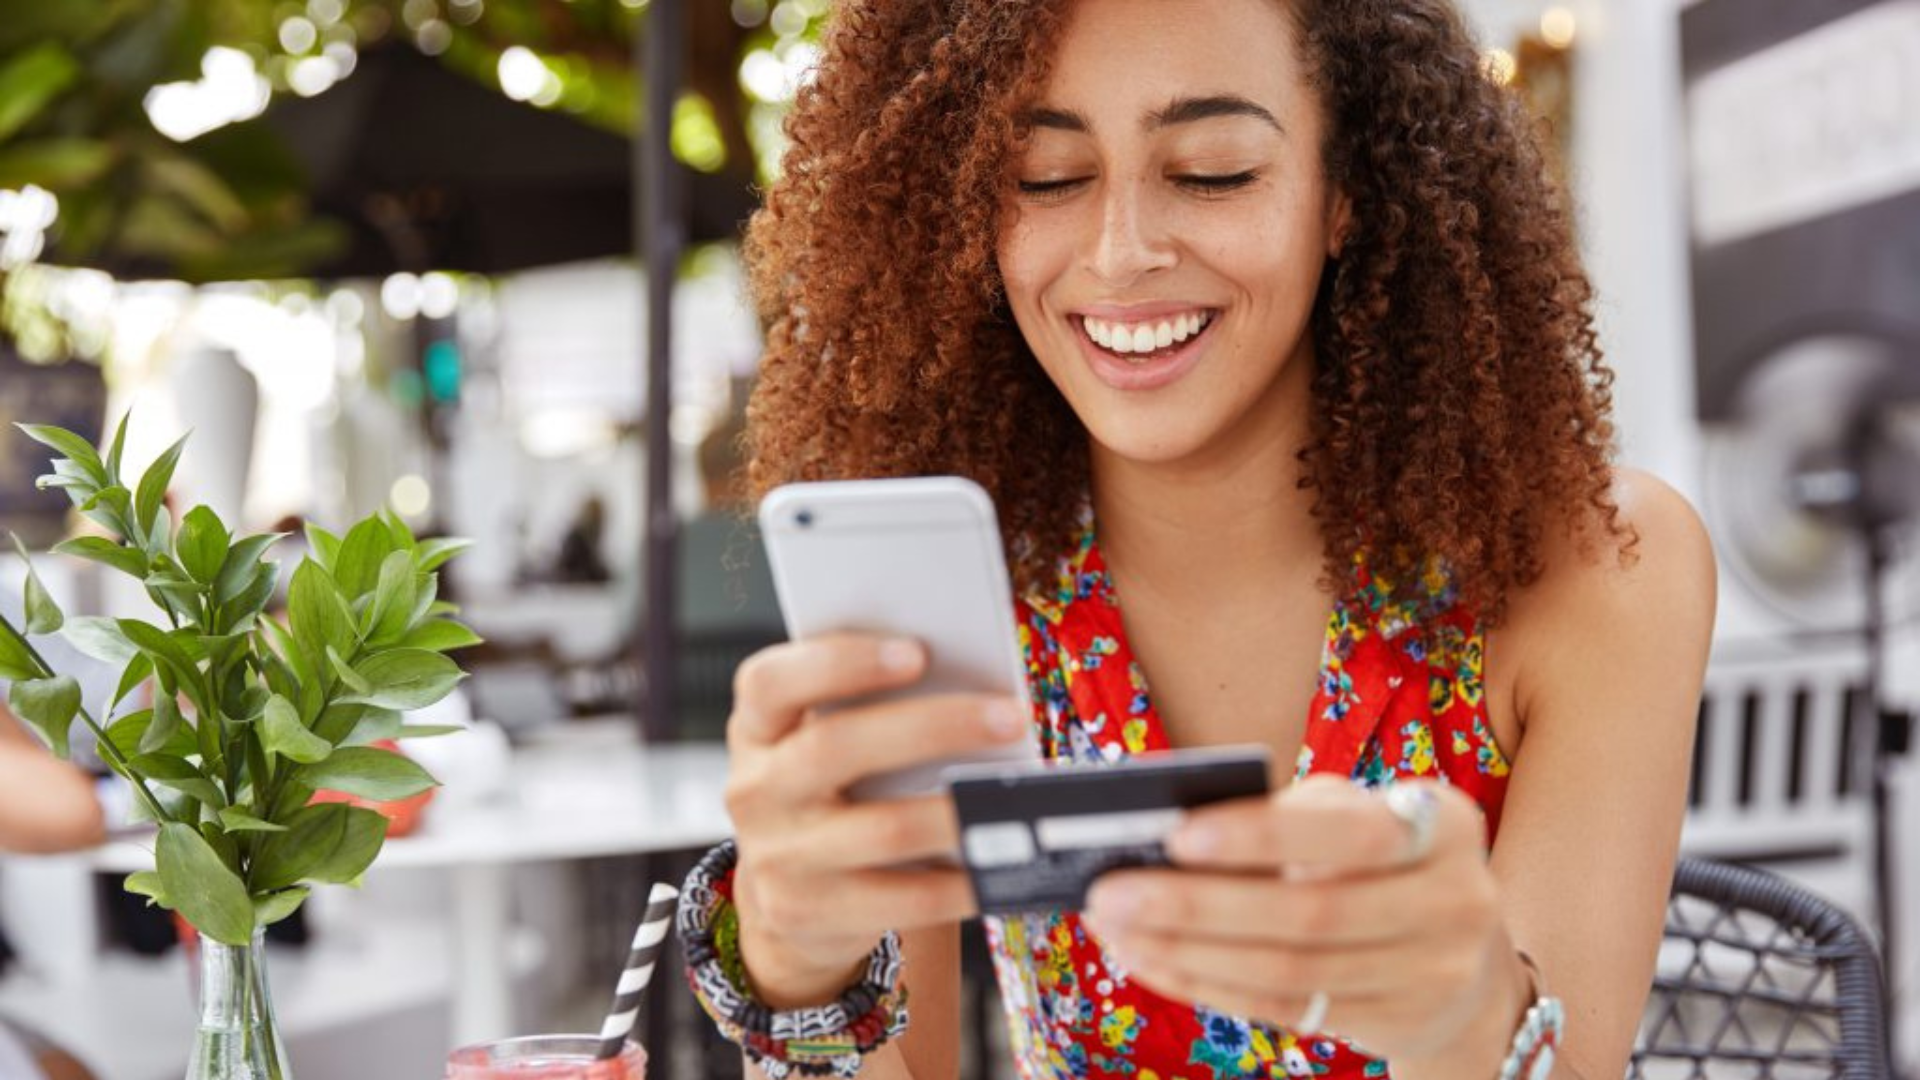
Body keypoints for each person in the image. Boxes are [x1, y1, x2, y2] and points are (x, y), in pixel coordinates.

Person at [684, 1, 1717, 1078]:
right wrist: (801, 975)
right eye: (1046, 176)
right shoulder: (949, 589)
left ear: (1348, 190)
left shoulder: (1600, 569)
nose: (1122, 253)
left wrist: (1467, 1018)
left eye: (1215, 171)